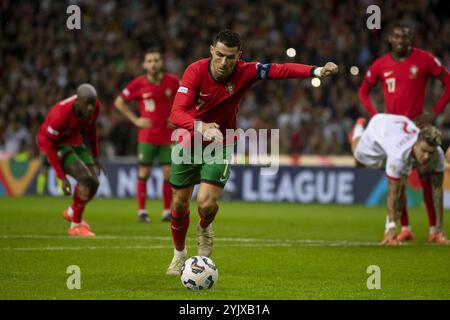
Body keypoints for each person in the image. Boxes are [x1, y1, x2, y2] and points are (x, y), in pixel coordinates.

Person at [165, 29, 339, 275]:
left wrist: (317, 71)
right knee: (180, 203)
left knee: (205, 203)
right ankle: (179, 254)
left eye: (231, 57)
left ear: (239, 56)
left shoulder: (246, 71)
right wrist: (201, 127)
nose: (224, 62)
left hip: (222, 141)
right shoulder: (195, 71)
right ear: (211, 51)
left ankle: (205, 227)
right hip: (188, 140)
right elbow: (176, 113)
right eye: (220, 55)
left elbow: (280, 70)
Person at [358, 24, 450, 242]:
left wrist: (434, 113)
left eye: (405, 37)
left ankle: (434, 231)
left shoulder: (425, 59)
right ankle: (405, 228)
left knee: (428, 177)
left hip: (418, 127)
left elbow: (449, 82)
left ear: (411, 39)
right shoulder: (380, 64)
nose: (400, 40)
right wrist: (376, 115)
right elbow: (363, 91)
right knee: (400, 178)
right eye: (396, 36)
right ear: (390, 39)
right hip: (393, 133)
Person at [350, 114, 449, 245]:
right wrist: (390, 228)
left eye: (430, 152)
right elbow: (393, 192)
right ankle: (358, 128)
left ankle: (435, 232)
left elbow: (437, 190)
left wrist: (439, 228)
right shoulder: (398, 155)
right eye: (423, 150)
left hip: (398, 126)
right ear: (416, 144)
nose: (426, 156)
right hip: (379, 128)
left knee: (402, 182)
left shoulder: (437, 154)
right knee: (358, 160)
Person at [114, 48, 179, 223]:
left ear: (161, 62)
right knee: (144, 172)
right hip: (147, 135)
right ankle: (142, 211)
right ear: (144, 64)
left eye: (156, 60)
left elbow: (185, 99)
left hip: (167, 135)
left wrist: (177, 117)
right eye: (149, 61)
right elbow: (119, 102)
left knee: (168, 173)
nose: (153, 64)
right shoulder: (138, 83)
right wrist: (135, 120)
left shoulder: (173, 81)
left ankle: (167, 211)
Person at [37, 84, 104, 237]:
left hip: (74, 139)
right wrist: (62, 177)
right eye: (86, 103)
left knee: (94, 182)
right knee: (85, 179)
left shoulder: (95, 106)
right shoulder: (59, 116)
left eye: (92, 103)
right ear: (77, 101)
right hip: (56, 144)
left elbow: (91, 129)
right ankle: (75, 226)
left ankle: (72, 211)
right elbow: (49, 146)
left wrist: (96, 156)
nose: (90, 107)